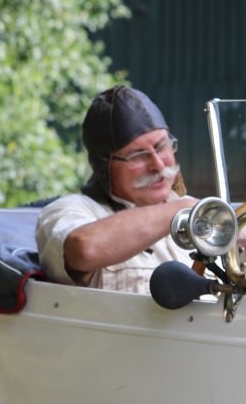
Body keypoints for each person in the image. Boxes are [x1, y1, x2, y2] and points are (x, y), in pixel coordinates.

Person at [37, 85, 198, 294]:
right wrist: (182, 210)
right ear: (105, 165)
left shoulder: (201, 212)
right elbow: (86, 249)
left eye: (161, 147)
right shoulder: (69, 211)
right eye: (138, 155)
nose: (158, 164)